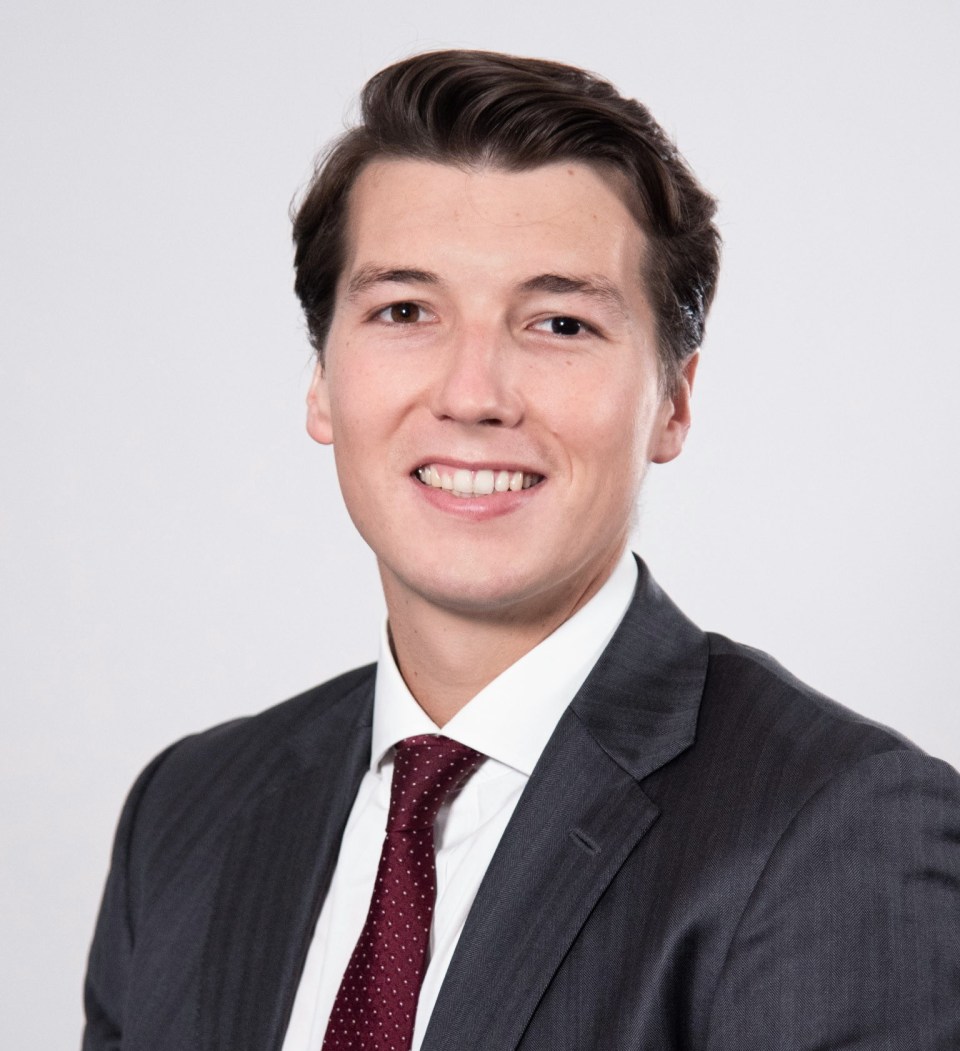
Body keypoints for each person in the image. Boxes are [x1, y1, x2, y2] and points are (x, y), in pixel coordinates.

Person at [83, 50, 960, 1051]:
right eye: (405, 311)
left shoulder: (843, 831)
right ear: (322, 380)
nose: (473, 394)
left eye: (559, 323)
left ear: (672, 402)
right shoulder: (187, 812)